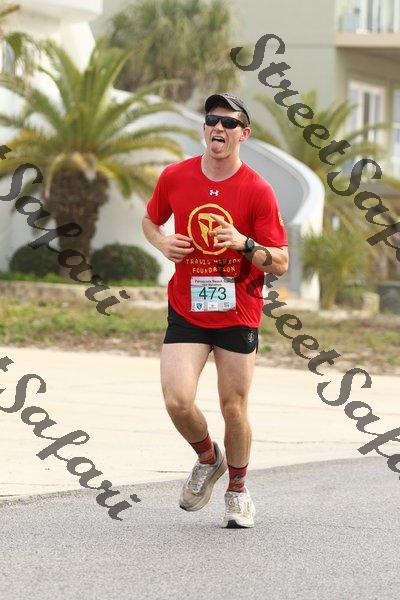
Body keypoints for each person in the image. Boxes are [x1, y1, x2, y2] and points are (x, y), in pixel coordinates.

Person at [142, 92, 289, 528]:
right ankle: (209, 458)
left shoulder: (257, 190)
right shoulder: (175, 176)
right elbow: (150, 220)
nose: (218, 127)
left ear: (244, 134)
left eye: (229, 122)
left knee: (233, 407)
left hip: (238, 310)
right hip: (187, 307)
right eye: (212, 120)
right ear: (204, 128)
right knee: (177, 400)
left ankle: (238, 491)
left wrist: (244, 243)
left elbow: (280, 261)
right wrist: (162, 242)